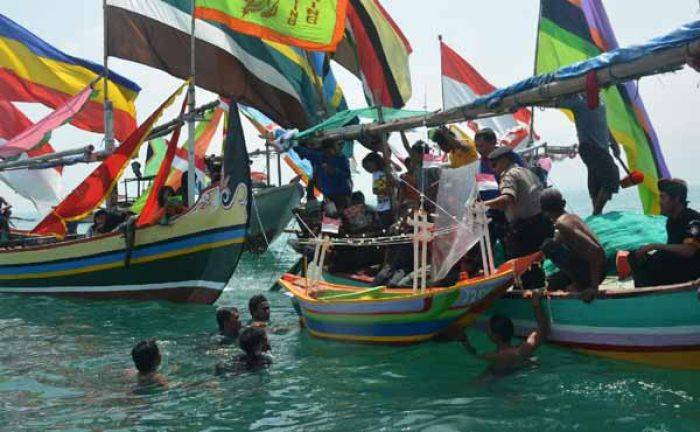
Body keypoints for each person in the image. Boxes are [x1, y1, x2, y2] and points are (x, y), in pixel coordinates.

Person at [484, 146, 553, 288]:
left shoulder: (508, 175)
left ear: (504, 161)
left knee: (522, 269)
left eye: (494, 165)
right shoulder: (527, 172)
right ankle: (537, 293)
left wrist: (481, 205)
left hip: (525, 229)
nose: (493, 169)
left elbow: (507, 199)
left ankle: (527, 297)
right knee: (535, 266)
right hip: (541, 224)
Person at [627, 179, 700, 287]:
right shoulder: (671, 222)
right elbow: (672, 248)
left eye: (663, 197)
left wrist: (656, 246)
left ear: (676, 199)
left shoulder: (693, 219)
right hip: (676, 267)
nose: (659, 202)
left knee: (661, 259)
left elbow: (689, 250)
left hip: (692, 270)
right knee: (634, 256)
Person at [557, 93, 620, 215]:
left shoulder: (600, 99)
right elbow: (558, 101)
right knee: (612, 175)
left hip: (603, 147)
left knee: (596, 178)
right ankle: (597, 211)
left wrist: (613, 142)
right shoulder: (577, 101)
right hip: (589, 146)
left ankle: (597, 212)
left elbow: (603, 123)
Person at [460, 290, 550, 375]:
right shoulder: (524, 349)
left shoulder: (494, 356)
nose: (487, 332)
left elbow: (475, 355)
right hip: (523, 369)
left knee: (487, 374)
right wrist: (536, 304)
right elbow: (543, 327)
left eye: (489, 330)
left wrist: (464, 341)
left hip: (500, 375)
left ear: (495, 336)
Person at [540, 188, 606, 302]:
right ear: (564, 203)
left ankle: (580, 285)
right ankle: (575, 283)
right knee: (552, 280)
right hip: (598, 269)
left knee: (548, 246)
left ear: (543, 211)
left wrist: (593, 287)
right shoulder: (572, 218)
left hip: (592, 274)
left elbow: (597, 251)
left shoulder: (562, 224)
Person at [294, 141, 352, 211]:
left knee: (343, 213)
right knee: (331, 214)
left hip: (342, 194)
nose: (328, 154)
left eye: (330, 152)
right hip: (327, 195)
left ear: (334, 149)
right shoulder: (320, 157)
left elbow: (347, 175)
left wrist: (335, 171)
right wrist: (293, 145)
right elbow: (306, 153)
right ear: (323, 150)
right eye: (326, 152)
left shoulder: (341, 159)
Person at [361, 152, 393, 228]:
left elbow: (376, 190)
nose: (368, 170)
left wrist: (384, 191)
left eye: (368, 167)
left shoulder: (377, 174)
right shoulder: (386, 171)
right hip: (385, 205)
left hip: (385, 206)